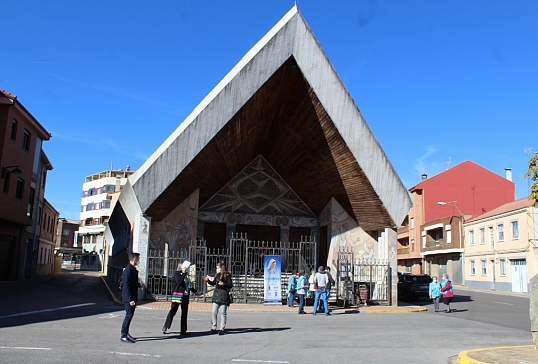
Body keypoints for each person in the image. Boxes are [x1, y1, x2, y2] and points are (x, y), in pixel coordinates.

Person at [162, 260, 197, 335]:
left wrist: (194, 291)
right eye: (186, 267)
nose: (187, 269)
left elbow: (188, 285)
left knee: (184, 313)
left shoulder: (186, 275)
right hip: (177, 295)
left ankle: (183, 330)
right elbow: (179, 281)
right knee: (173, 310)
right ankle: (166, 326)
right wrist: (183, 273)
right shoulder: (176, 274)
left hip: (185, 296)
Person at [203, 262, 233, 335]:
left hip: (224, 295)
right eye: (216, 268)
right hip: (216, 295)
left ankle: (222, 328)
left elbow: (230, 285)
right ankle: (214, 327)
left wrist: (224, 284)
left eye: (218, 268)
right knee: (214, 312)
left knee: (223, 313)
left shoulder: (227, 276)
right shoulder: (217, 275)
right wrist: (208, 280)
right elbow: (213, 283)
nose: (217, 269)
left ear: (222, 268)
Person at [121, 252, 140, 343]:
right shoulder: (128, 270)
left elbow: (132, 282)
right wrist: (130, 299)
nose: (138, 260)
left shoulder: (132, 269)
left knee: (130, 315)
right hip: (129, 297)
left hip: (132, 296)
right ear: (134, 259)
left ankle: (126, 333)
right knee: (128, 315)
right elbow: (126, 285)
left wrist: (138, 285)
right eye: (138, 259)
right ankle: (123, 335)